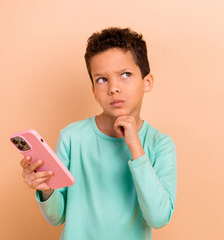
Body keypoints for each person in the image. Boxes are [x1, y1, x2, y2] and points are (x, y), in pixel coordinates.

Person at [19, 27, 177, 240]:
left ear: (147, 82)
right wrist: (47, 190)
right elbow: (57, 217)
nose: (113, 88)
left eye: (125, 75)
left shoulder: (161, 144)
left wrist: (135, 147)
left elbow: (158, 218)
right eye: (102, 79)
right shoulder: (72, 137)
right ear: (93, 90)